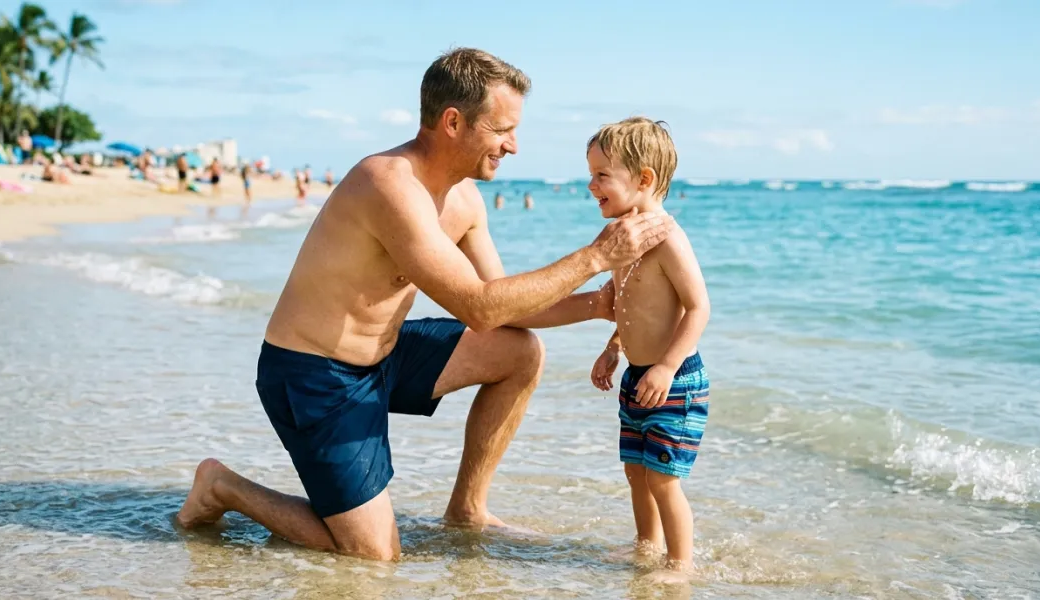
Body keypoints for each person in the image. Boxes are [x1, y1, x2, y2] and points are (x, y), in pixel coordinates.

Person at [176, 47, 674, 561]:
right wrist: (594, 256)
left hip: (382, 358)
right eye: (502, 129)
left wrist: (597, 303)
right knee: (373, 556)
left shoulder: (464, 200)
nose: (514, 145)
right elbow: (478, 308)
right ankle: (223, 488)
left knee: (519, 353)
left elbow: (503, 306)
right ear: (453, 122)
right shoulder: (387, 183)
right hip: (313, 375)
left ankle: (468, 508)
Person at [585, 117, 710, 571]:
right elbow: (628, 303)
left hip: (674, 380)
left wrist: (667, 367)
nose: (590, 184)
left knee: (662, 477)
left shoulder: (668, 239)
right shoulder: (623, 238)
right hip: (638, 376)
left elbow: (699, 308)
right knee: (635, 472)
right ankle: (646, 547)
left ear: (644, 179)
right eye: (590, 173)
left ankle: (680, 565)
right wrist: (614, 346)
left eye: (602, 175)